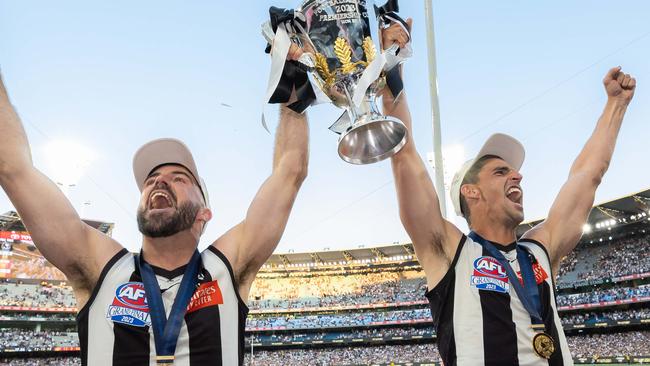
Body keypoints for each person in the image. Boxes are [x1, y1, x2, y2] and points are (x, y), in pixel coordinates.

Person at [0, 67, 309, 365]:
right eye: (151, 180)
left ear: (204, 214)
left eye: (178, 177)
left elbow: (290, 172)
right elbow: (13, 168)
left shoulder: (226, 265)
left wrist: (290, 76)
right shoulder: (100, 265)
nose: (159, 181)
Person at [382, 20, 636, 365]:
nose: (517, 175)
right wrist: (390, 66)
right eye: (501, 171)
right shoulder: (450, 251)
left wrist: (615, 106)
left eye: (514, 170)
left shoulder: (539, 249)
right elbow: (405, 156)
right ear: (471, 192)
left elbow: (587, 176)